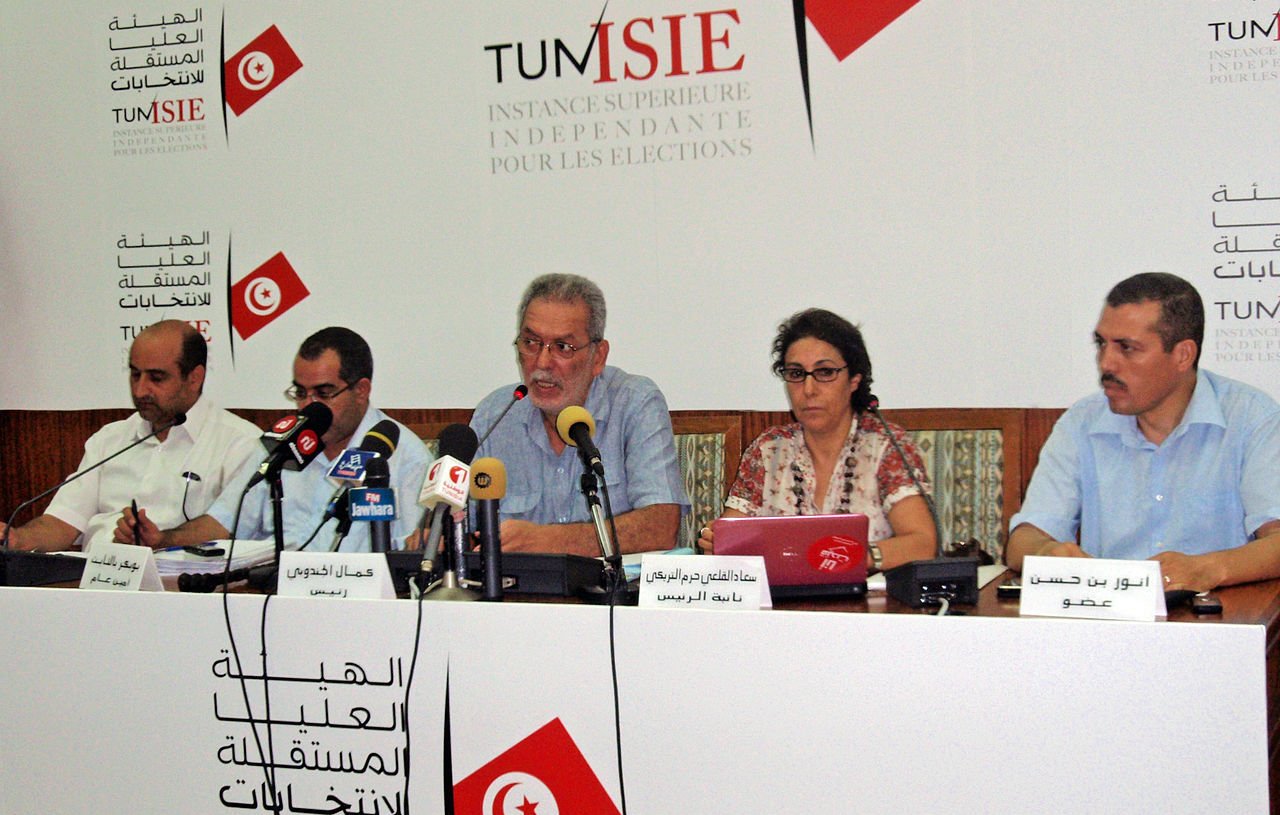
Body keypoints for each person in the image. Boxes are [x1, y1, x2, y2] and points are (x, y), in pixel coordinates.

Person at [1005, 273, 1280, 591]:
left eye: (1127, 348)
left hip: (1219, 617)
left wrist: (1206, 569)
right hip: (1109, 619)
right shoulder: (1081, 423)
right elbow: (1023, 539)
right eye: (1101, 344)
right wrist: (1047, 552)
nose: (1106, 363)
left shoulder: (1252, 419)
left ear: (1182, 355)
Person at [119, 327, 431, 552]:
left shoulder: (405, 456)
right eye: (300, 392)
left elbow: (411, 554)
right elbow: (224, 522)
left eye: (323, 393)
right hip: (271, 598)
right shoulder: (282, 444)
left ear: (361, 390)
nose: (308, 406)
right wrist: (162, 540)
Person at [697, 308, 936, 571]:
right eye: (797, 374)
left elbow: (922, 544)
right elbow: (730, 537)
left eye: (824, 372)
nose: (809, 390)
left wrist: (842, 558)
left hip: (867, 604)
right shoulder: (769, 450)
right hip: (783, 607)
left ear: (854, 379)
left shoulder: (885, 447)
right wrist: (716, 540)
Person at [469, 273, 689, 556]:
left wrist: (548, 541)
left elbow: (660, 527)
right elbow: (463, 523)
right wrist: (439, 537)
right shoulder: (495, 414)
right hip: (516, 595)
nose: (542, 362)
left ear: (598, 357)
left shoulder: (634, 402)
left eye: (563, 347)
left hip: (611, 596)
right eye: (531, 343)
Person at [1, 320, 262, 553]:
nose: (140, 390)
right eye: (135, 374)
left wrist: (160, 540)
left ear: (194, 378)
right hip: (95, 583)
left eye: (156, 378)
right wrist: (16, 539)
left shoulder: (242, 443)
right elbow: (62, 522)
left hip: (181, 592)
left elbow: (228, 527)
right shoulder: (109, 439)